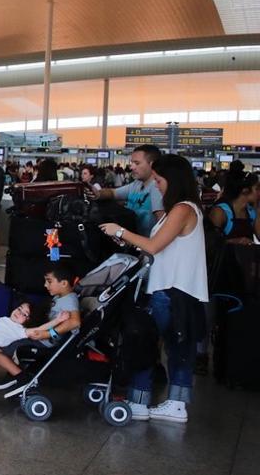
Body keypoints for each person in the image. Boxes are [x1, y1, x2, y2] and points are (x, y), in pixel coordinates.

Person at [100, 154, 208, 423]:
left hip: (172, 290)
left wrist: (119, 231)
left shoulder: (183, 209)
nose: (157, 186)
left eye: (159, 180)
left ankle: (140, 401)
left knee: (145, 343)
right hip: (175, 289)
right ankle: (176, 404)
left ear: (173, 180)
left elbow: (153, 246)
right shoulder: (184, 209)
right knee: (176, 348)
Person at [0, 260, 83, 388]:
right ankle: (15, 371)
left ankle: (18, 376)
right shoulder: (61, 296)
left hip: (44, 341)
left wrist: (47, 333)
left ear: (64, 283)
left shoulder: (69, 299)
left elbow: (75, 321)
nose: (45, 285)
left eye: (49, 281)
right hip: (42, 335)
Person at [95, 144, 165, 234]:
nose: (132, 167)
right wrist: (97, 193)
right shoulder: (136, 184)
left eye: (137, 163)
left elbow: (161, 223)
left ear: (152, 164)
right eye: (132, 163)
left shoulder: (157, 188)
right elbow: (112, 193)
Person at [207, 172, 256, 241]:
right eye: (257, 189)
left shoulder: (251, 212)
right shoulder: (220, 212)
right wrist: (234, 242)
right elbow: (210, 243)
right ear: (245, 191)